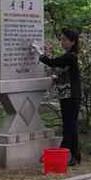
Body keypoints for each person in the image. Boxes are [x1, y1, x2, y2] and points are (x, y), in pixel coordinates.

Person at [33, 29, 82, 166]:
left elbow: (53, 62)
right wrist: (56, 77)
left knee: (69, 126)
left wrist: (40, 54)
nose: (62, 42)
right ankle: (74, 155)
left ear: (73, 42)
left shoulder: (71, 56)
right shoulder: (68, 56)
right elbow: (63, 70)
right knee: (70, 125)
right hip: (66, 94)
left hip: (71, 95)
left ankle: (65, 153)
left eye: (65, 40)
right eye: (61, 39)